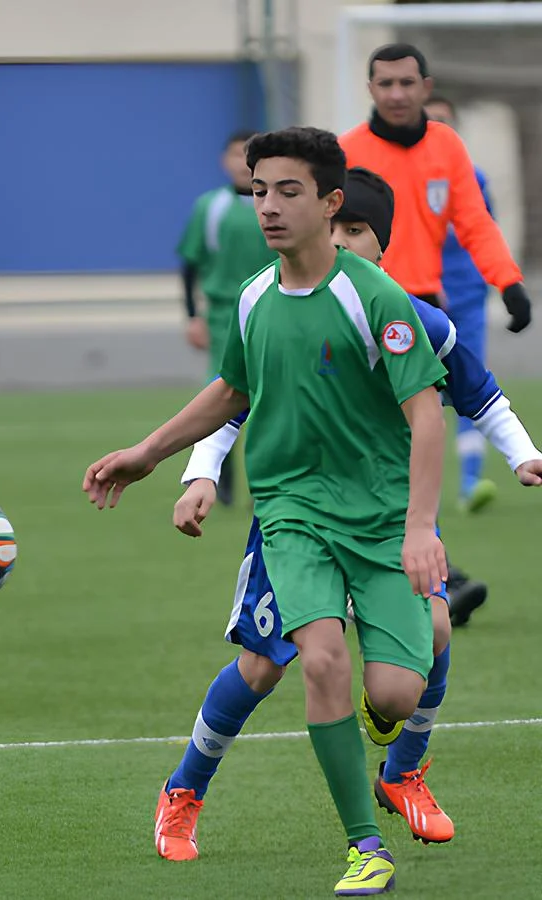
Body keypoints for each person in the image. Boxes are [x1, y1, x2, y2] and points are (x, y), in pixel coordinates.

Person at [84, 127, 448, 897]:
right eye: (260, 192)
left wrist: (420, 528)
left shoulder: (373, 297)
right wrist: (154, 455)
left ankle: (389, 742)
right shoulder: (252, 299)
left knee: (393, 696)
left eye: (289, 191)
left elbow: (427, 413)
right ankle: (363, 846)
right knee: (315, 659)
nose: (271, 208)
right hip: (293, 516)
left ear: (330, 201)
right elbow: (230, 392)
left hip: (381, 520)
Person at [151, 166, 542, 865]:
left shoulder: (410, 319)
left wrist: (522, 454)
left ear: (381, 244)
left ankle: (402, 772)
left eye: (354, 230)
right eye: (334, 228)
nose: (339, 240)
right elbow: (235, 396)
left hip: (390, 509)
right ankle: (184, 789)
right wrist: (201, 473)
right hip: (298, 512)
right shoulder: (275, 303)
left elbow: (477, 393)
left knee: (437, 629)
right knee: (264, 668)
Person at [340, 44, 531, 336]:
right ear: (371, 89)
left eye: (406, 83)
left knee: (450, 381)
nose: (396, 94)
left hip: (425, 301)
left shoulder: (446, 145)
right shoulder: (347, 151)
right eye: (386, 83)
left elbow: (475, 222)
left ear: (425, 87)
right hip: (363, 299)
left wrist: (508, 281)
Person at [176, 130, 276, 505]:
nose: (241, 162)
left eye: (248, 154)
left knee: (272, 398)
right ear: (225, 161)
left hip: (273, 311)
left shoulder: (280, 206)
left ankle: (265, 485)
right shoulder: (210, 207)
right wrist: (192, 316)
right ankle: (222, 485)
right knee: (220, 396)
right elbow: (190, 263)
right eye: (236, 154)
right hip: (222, 317)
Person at [421, 96, 499, 513]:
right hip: (419, 294)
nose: (437, 127)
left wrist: (498, 280)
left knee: (471, 381)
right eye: (430, 120)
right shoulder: (406, 174)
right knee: (418, 390)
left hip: (467, 294)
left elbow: (486, 232)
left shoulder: (474, 177)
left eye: (445, 121)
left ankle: (470, 482)